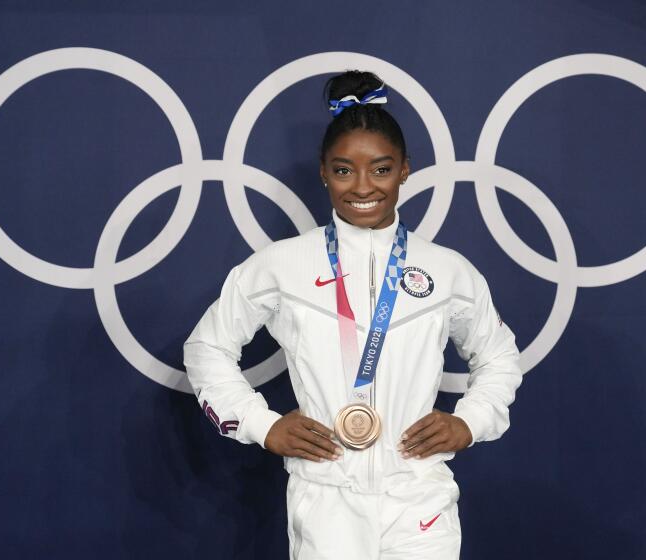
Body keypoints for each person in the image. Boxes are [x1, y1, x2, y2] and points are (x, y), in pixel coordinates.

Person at [183, 70, 522, 559]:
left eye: (381, 169)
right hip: (325, 497)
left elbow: (499, 358)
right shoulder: (281, 265)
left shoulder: (447, 271)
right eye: (344, 170)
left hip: (419, 495)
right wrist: (260, 423)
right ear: (323, 172)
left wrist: (470, 420)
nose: (362, 186)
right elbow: (206, 348)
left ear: (405, 170)